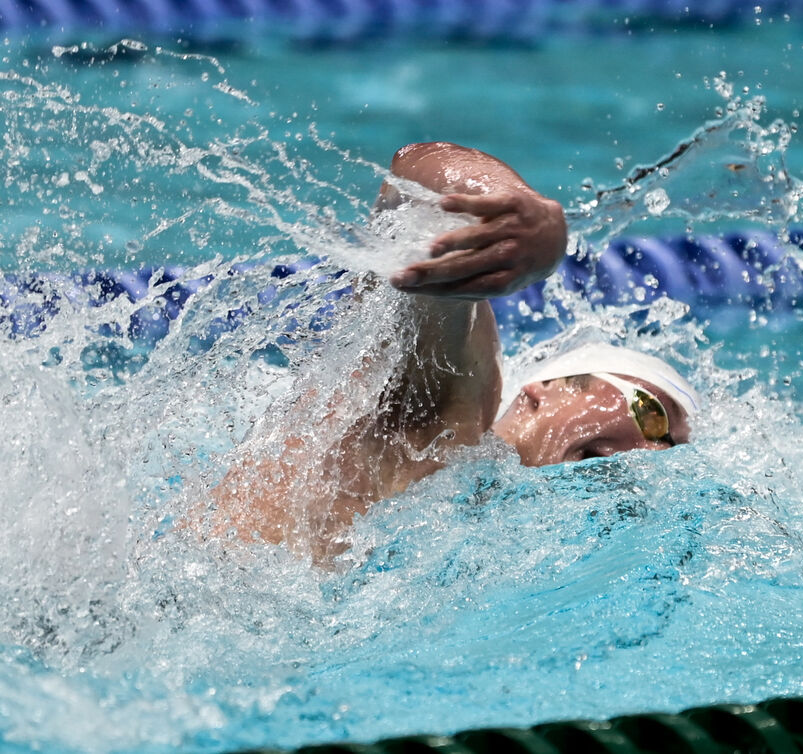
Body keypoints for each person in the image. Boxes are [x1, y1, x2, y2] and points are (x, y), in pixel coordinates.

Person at [205, 142, 698, 561]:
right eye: (651, 415)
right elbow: (410, 183)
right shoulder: (446, 413)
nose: (653, 454)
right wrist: (510, 206)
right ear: (543, 391)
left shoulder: (490, 540)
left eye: (671, 451)